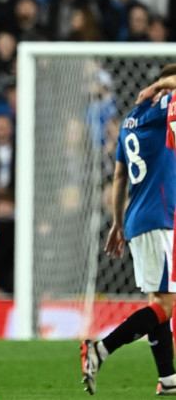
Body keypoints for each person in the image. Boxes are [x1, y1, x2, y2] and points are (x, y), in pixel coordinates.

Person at [82, 64, 176, 396]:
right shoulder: (165, 110)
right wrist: (160, 87)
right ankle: (100, 349)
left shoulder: (130, 121)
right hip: (158, 219)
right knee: (164, 305)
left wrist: (118, 224)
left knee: (157, 302)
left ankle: (167, 379)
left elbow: (120, 177)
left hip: (137, 220)